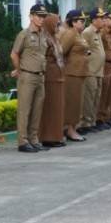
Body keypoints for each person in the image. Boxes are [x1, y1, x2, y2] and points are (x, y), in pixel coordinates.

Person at [11, 4, 49, 153]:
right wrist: (19, 70)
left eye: (43, 16)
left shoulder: (43, 35)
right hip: (27, 75)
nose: (41, 19)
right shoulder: (24, 34)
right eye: (39, 16)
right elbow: (14, 54)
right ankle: (23, 141)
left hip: (40, 76)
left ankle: (34, 139)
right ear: (31, 16)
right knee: (24, 110)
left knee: (37, 110)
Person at [61, 10, 90, 142]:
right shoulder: (70, 34)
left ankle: (72, 128)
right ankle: (70, 130)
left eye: (84, 21)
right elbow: (61, 51)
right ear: (73, 22)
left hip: (80, 72)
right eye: (81, 21)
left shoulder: (79, 34)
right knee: (72, 103)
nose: (84, 23)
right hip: (72, 72)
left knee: (77, 103)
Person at [39, 14, 66, 148]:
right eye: (56, 24)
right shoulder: (45, 37)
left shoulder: (55, 38)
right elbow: (42, 57)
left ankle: (56, 136)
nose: (57, 27)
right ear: (49, 24)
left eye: (59, 24)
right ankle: (47, 137)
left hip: (58, 76)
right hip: (49, 77)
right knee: (50, 108)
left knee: (57, 107)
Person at [79, 8, 106, 134]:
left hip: (99, 71)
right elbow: (84, 50)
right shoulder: (87, 32)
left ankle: (92, 121)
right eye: (101, 18)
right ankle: (86, 123)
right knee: (88, 97)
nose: (103, 20)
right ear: (94, 19)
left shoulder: (98, 32)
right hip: (90, 70)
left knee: (96, 97)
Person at [96, 10, 111, 129]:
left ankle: (105, 116)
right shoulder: (102, 33)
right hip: (105, 65)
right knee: (103, 93)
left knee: (109, 92)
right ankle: (99, 118)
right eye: (109, 18)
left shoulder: (110, 32)